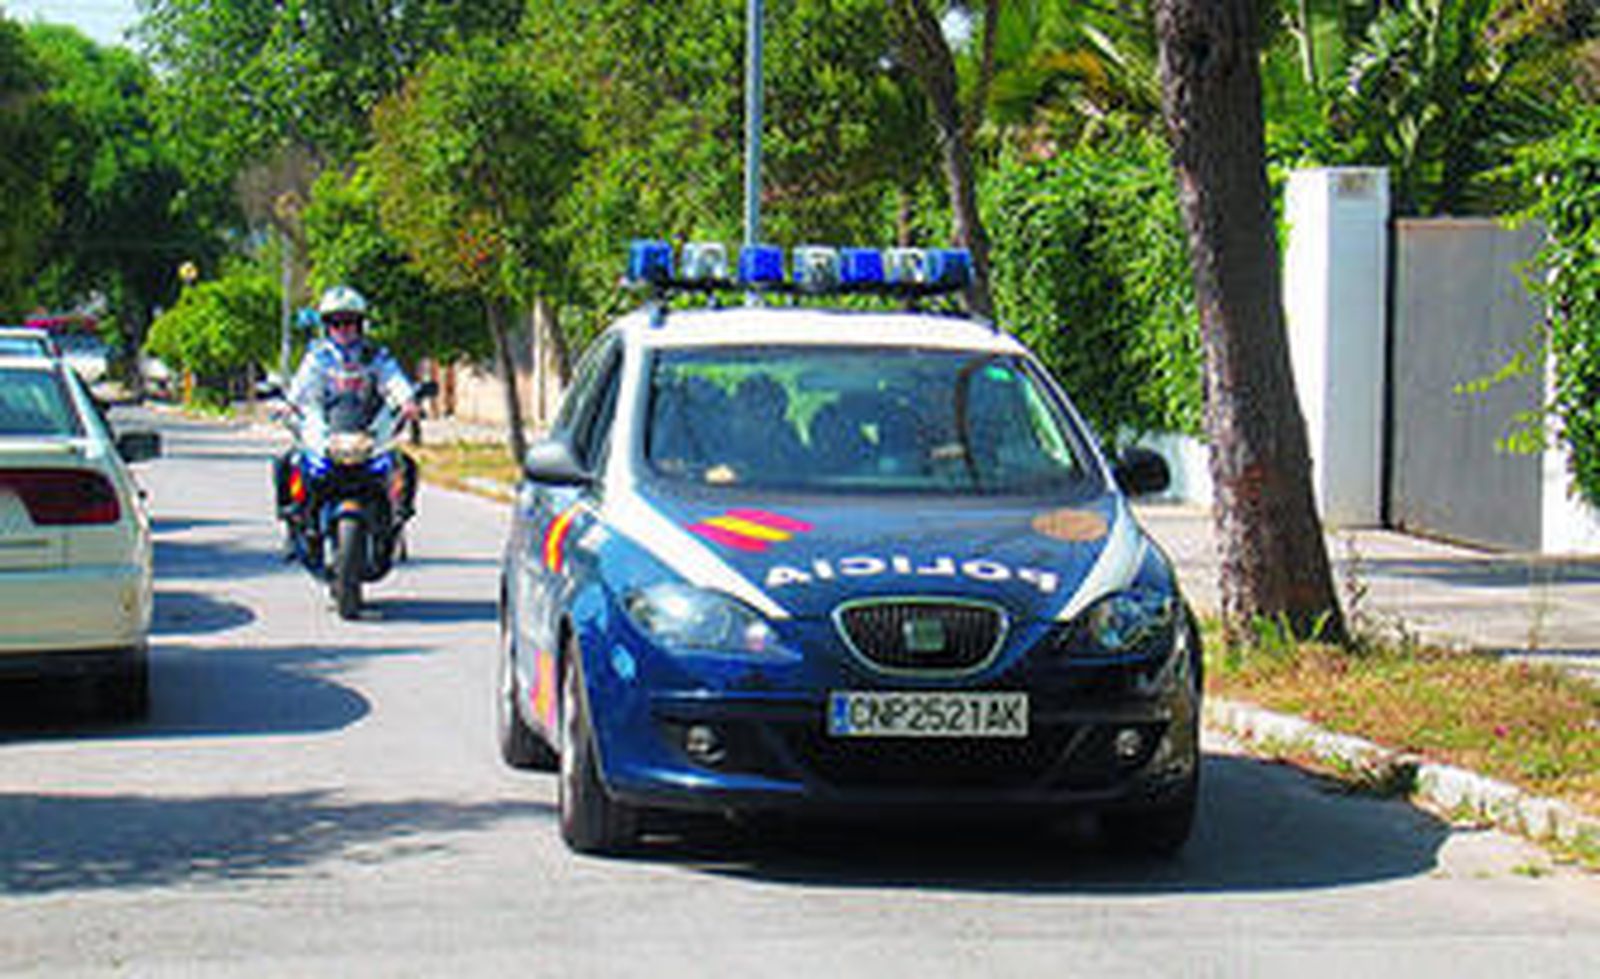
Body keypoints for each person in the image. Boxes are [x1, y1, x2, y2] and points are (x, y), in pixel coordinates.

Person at [273, 286, 421, 532]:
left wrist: (407, 401)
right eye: (335, 322)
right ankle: (293, 512)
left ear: (361, 325)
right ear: (326, 326)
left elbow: (393, 378)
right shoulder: (317, 356)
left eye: (350, 322)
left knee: (406, 465)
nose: (343, 329)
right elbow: (302, 382)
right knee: (286, 462)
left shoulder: (375, 355)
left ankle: (399, 514)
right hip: (327, 425)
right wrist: (289, 404)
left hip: (367, 424)